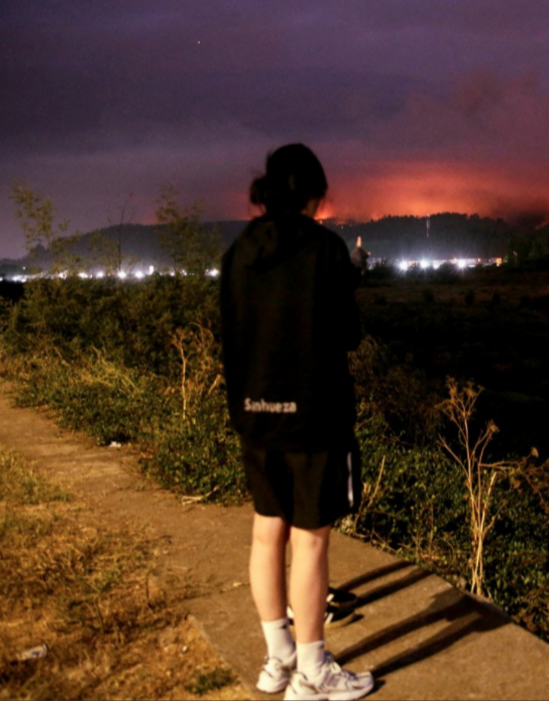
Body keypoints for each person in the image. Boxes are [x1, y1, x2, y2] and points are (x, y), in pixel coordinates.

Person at [220, 143, 373, 700]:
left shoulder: (239, 251)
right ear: (316, 194)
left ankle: (279, 657)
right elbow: (347, 334)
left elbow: (232, 333)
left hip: (254, 418)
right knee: (310, 542)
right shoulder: (325, 250)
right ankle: (312, 672)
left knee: (267, 533)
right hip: (313, 420)